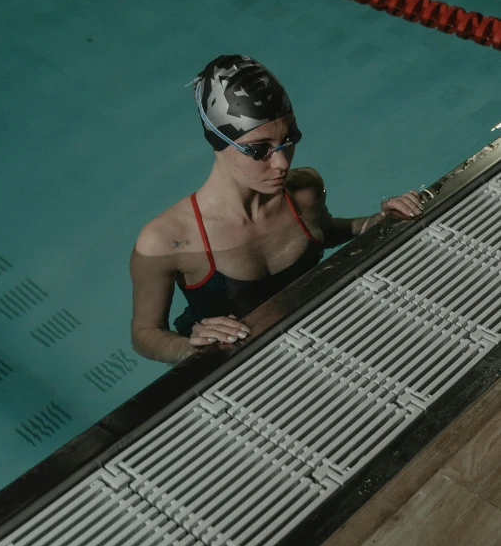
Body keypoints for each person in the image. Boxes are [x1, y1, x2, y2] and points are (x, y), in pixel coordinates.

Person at [130, 54, 423, 366]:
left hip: (320, 339)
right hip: (243, 367)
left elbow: (324, 232)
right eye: (259, 149)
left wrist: (381, 220)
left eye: (289, 138)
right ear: (217, 140)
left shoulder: (305, 189)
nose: (282, 163)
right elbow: (145, 333)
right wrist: (191, 348)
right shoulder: (166, 239)